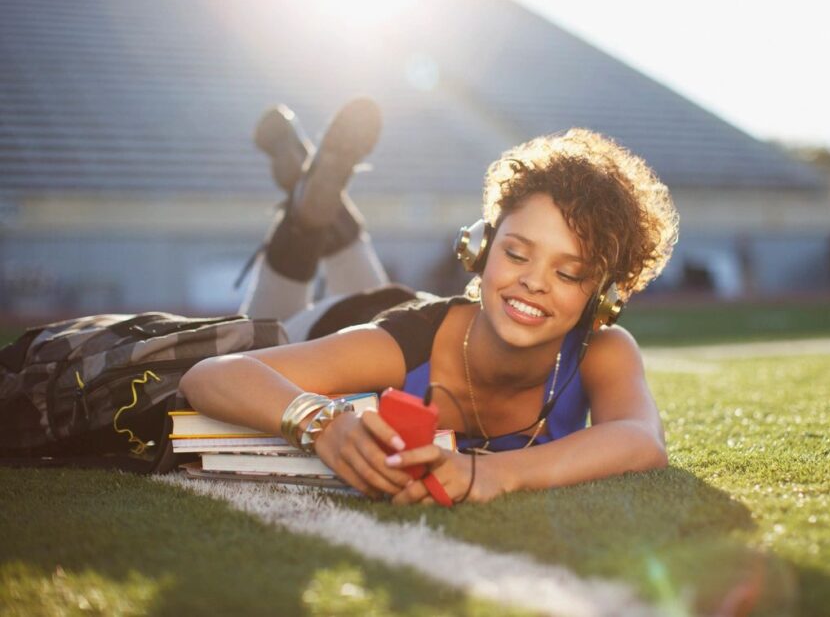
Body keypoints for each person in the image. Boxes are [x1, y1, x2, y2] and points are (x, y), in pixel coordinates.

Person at [180, 98, 680, 504]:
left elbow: (640, 439)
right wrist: (322, 425)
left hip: (397, 308)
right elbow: (212, 375)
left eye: (568, 272)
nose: (534, 282)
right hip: (333, 324)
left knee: (360, 279)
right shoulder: (402, 343)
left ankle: (309, 183)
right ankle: (306, 212)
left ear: (605, 298)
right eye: (516, 253)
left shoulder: (603, 348)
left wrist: (495, 474)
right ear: (480, 248)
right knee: (270, 317)